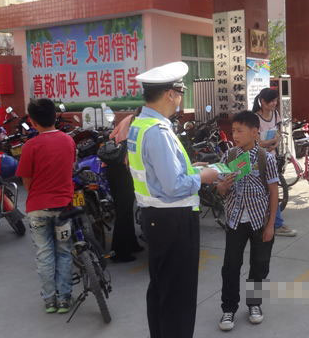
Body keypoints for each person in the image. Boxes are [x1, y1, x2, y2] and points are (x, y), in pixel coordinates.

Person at [127, 62, 219, 338]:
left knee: (162, 289)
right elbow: (172, 186)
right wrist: (204, 177)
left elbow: (157, 172)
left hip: (156, 217)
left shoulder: (140, 124)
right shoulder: (158, 131)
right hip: (173, 220)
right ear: (170, 94)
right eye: (180, 92)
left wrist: (191, 168)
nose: (180, 98)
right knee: (178, 295)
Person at [215, 111, 279, 331]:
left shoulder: (265, 158)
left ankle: (254, 304)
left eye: (239, 131)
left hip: (259, 221)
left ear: (254, 132)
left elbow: (273, 192)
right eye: (233, 130)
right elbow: (220, 189)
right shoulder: (229, 156)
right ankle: (229, 308)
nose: (235, 135)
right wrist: (223, 186)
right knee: (230, 267)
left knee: (259, 265)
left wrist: (271, 225)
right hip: (234, 221)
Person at [16, 99, 76, 314]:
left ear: (32, 122)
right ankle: (64, 299)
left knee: (44, 254)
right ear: (54, 117)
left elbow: (27, 181)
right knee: (64, 252)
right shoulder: (68, 141)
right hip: (63, 207)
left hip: (38, 208)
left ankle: (50, 300)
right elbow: (70, 168)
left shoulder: (30, 146)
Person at [253, 88, 296, 237]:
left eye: (275, 100)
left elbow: (278, 134)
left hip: (271, 158)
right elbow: (257, 143)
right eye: (271, 101)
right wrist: (271, 142)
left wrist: (275, 144)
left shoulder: (275, 114)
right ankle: (276, 224)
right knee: (270, 191)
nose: (274, 103)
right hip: (258, 159)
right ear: (262, 102)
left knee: (272, 191)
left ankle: (273, 223)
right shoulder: (255, 118)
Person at [105, 109, 144, 263]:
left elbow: (111, 136)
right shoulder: (137, 122)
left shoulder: (128, 119)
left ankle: (131, 243)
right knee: (123, 211)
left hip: (114, 168)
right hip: (121, 169)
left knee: (126, 209)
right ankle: (119, 252)